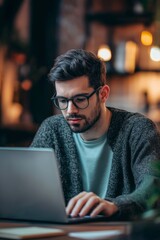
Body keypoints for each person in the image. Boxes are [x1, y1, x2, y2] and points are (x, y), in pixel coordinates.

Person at [31, 49, 160, 220]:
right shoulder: (52, 130)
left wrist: (115, 206)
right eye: (63, 101)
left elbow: (153, 187)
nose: (70, 110)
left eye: (80, 99)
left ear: (103, 94)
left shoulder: (137, 130)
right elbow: (27, 188)